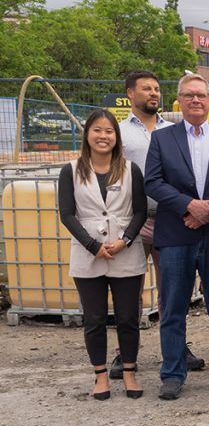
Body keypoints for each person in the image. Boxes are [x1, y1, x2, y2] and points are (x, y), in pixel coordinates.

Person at [145, 73, 209, 400]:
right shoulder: (162, 138)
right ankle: (173, 374)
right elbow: (153, 182)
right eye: (189, 95)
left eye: (201, 95)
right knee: (173, 308)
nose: (195, 100)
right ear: (180, 101)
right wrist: (188, 205)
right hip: (176, 233)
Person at [115, 70, 205, 376]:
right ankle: (125, 353)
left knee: (172, 290)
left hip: (169, 219)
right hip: (131, 220)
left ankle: (177, 348)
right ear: (130, 94)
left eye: (156, 89)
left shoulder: (174, 130)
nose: (153, 93)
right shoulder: (119, 132)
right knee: (130, 290)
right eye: (146, 89)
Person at [58, 110, 148, 400]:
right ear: (87, 134)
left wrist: (125, 240)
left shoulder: (130, 169)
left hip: (125, 253)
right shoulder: (71, 171)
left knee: (127, 318)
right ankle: (100, 376)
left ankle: (130, 372)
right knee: (94, 318)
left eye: (109, 131)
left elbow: (140, 211)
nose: (103, 136)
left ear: (116, 137)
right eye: (97, 130)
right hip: (89, 255)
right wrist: (92, 245)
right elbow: (67, 214)